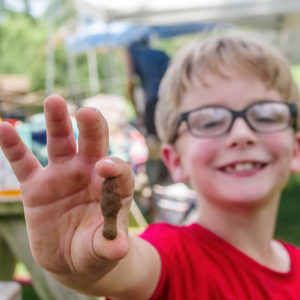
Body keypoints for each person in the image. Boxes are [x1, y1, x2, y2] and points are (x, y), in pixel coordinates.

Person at [1, 32, 300, 299]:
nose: (242, 134)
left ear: (296, 148)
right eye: (209, 120)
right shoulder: (172, 257)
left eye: (265, 115)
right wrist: (83, 271)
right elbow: (131, 268)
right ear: (175, 160)